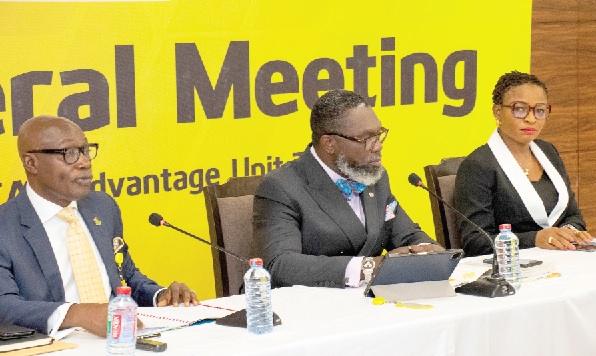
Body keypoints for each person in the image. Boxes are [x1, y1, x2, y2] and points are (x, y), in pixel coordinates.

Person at [0, 115, 199, 337]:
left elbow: (126, 276)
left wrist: (160, 295)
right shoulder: (5, 225)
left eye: (85, 150)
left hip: (120, 339)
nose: (84, 162)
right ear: (31, 163)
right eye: (69, 153)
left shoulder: (102, 207)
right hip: (57, 344)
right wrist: (77, 314)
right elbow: (5, 306)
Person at [253, 89, 443, 289]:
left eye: (378, 135)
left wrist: (428, 253)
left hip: (370, 303)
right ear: (329, 144)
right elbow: (281, 265)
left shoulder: (374, 176)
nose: (377, 146)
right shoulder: (281, 187)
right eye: (366, 138)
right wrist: (369, 267)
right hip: (310, 307)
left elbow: (405, 235)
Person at [454, 71, 593, 257]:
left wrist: (568, 232)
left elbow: (573, 214)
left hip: (562, 260)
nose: (531, 118)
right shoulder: (478, 166)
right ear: (497, 111)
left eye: (540, 110)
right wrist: (536, 239)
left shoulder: (548, 151)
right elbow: (477, 243)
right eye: (520, 109)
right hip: (512, 269)